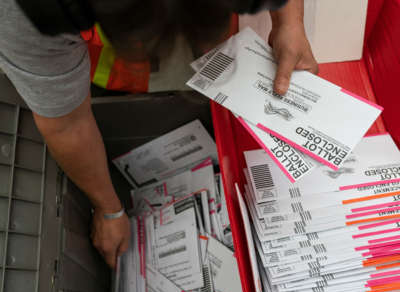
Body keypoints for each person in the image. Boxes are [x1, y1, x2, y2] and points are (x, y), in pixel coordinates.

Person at [0, 0, 318, 269]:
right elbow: (67, 123)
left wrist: (290, 21)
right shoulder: (23, 12)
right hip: (102, 71)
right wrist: (109, 208)